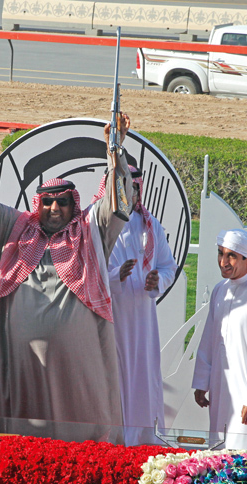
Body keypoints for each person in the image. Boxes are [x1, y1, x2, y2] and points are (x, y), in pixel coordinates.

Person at [0, 116, 133, 441]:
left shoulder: (91, 230)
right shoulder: (15, 228)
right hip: (22, 360)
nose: (55, 207)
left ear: (75, 205)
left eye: (63, 202)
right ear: (37, 204)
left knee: (80, 432)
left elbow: (119, 203)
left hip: (76, 365)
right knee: (25, 435)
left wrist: (117, 153)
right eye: (48, 202)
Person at [101, 166, 178, 445]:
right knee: (114, 376)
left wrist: (157, 279)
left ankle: (143, 441)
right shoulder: (98, 224)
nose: (128, 194)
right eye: (121, 188)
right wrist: (116, 276)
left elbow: (168, 266)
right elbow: (86, 271)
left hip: (143, 321)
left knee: (142, 378)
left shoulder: (150, 226)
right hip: (109, 318)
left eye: (132, 188)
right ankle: (113, 440)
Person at [191, 229, 247, 451]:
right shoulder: (219, 291)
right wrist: (202, 382)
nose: (223, 262)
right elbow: (208, 339)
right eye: (220, 254)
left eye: (231, 255)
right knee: (219, 449)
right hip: (221, 388)